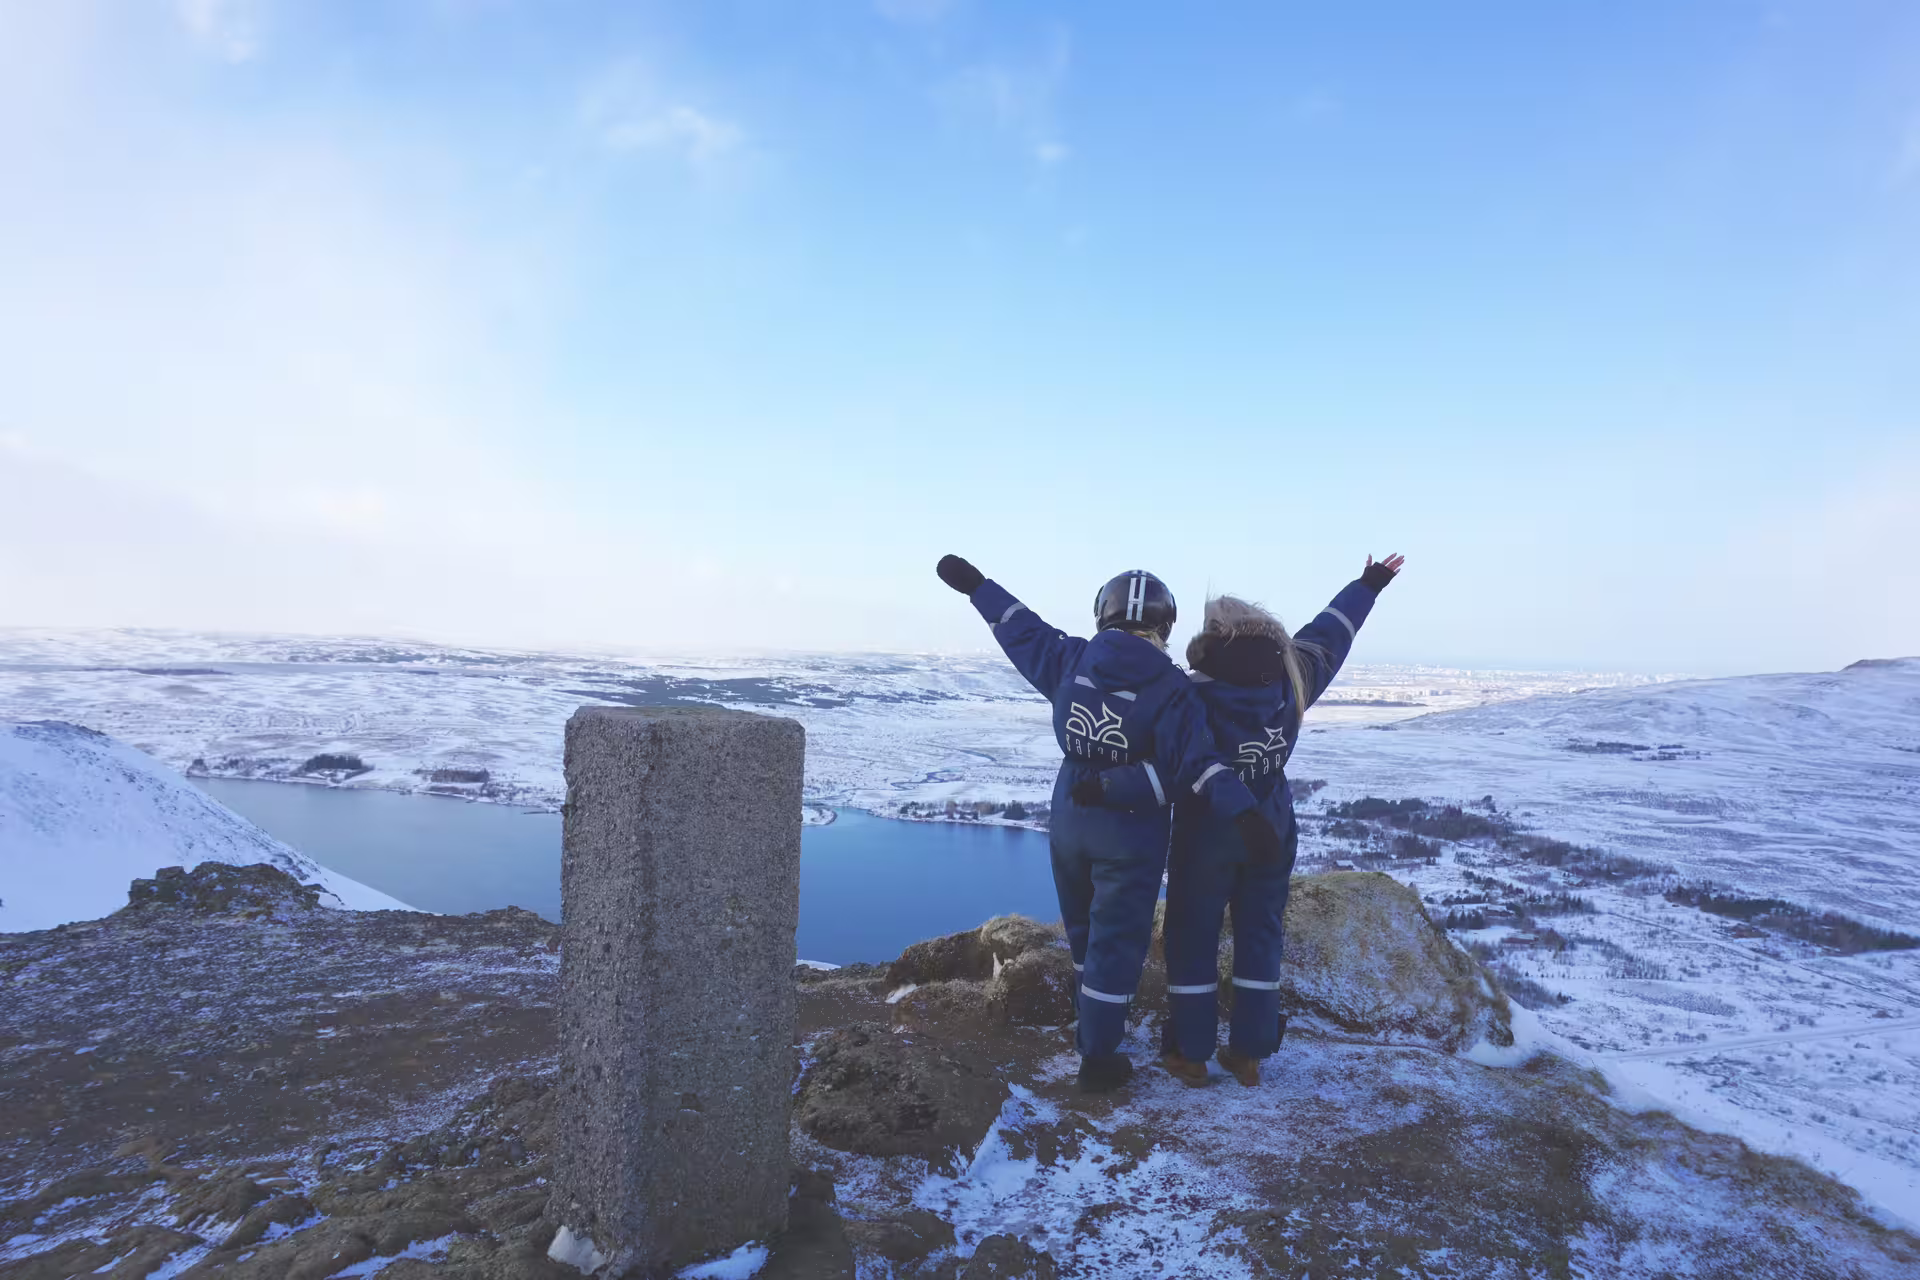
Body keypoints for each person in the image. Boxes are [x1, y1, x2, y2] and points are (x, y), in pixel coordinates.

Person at [934, 554, 1286, 1093]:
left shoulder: (1070, 658)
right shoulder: (1173, 687)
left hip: (1070, 817)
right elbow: (1195, 765)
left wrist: (978, 587)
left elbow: (1019, 627)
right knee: (1115, 944)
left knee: (1081, 930)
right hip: (1131, 830)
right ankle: (1098, 1057)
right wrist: (1244, 811)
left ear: (1104, 613)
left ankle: (1089, 1023)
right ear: (1165, 624)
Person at [1085, 553, 1404, 1087]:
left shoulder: (1187, 692)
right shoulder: (1293, 679)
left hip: (1205, 834)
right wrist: (1368, 584)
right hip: (1272, 827)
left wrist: (1104, 786)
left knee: (1192, 938)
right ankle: (1250, 1054)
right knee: (1261, 933)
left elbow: (1169, 762)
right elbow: (1333, 631)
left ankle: (1191, 1054)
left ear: (1213, 636)